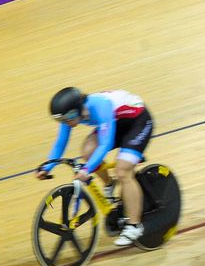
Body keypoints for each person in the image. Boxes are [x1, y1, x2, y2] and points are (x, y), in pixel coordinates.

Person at [37, 87, 153, 246]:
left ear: (78, 108)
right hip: (116, 122)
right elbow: (60, 143)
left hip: (138, 122)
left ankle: (134, 225)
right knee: (88, 152)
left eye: (69, 117)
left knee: (123, 171)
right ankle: (110, 183)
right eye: (61, 120)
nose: (67, 122)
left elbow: (106, 144)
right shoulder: (70, 114)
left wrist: (86, 169)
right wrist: (47, 167)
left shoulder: (100, 106)